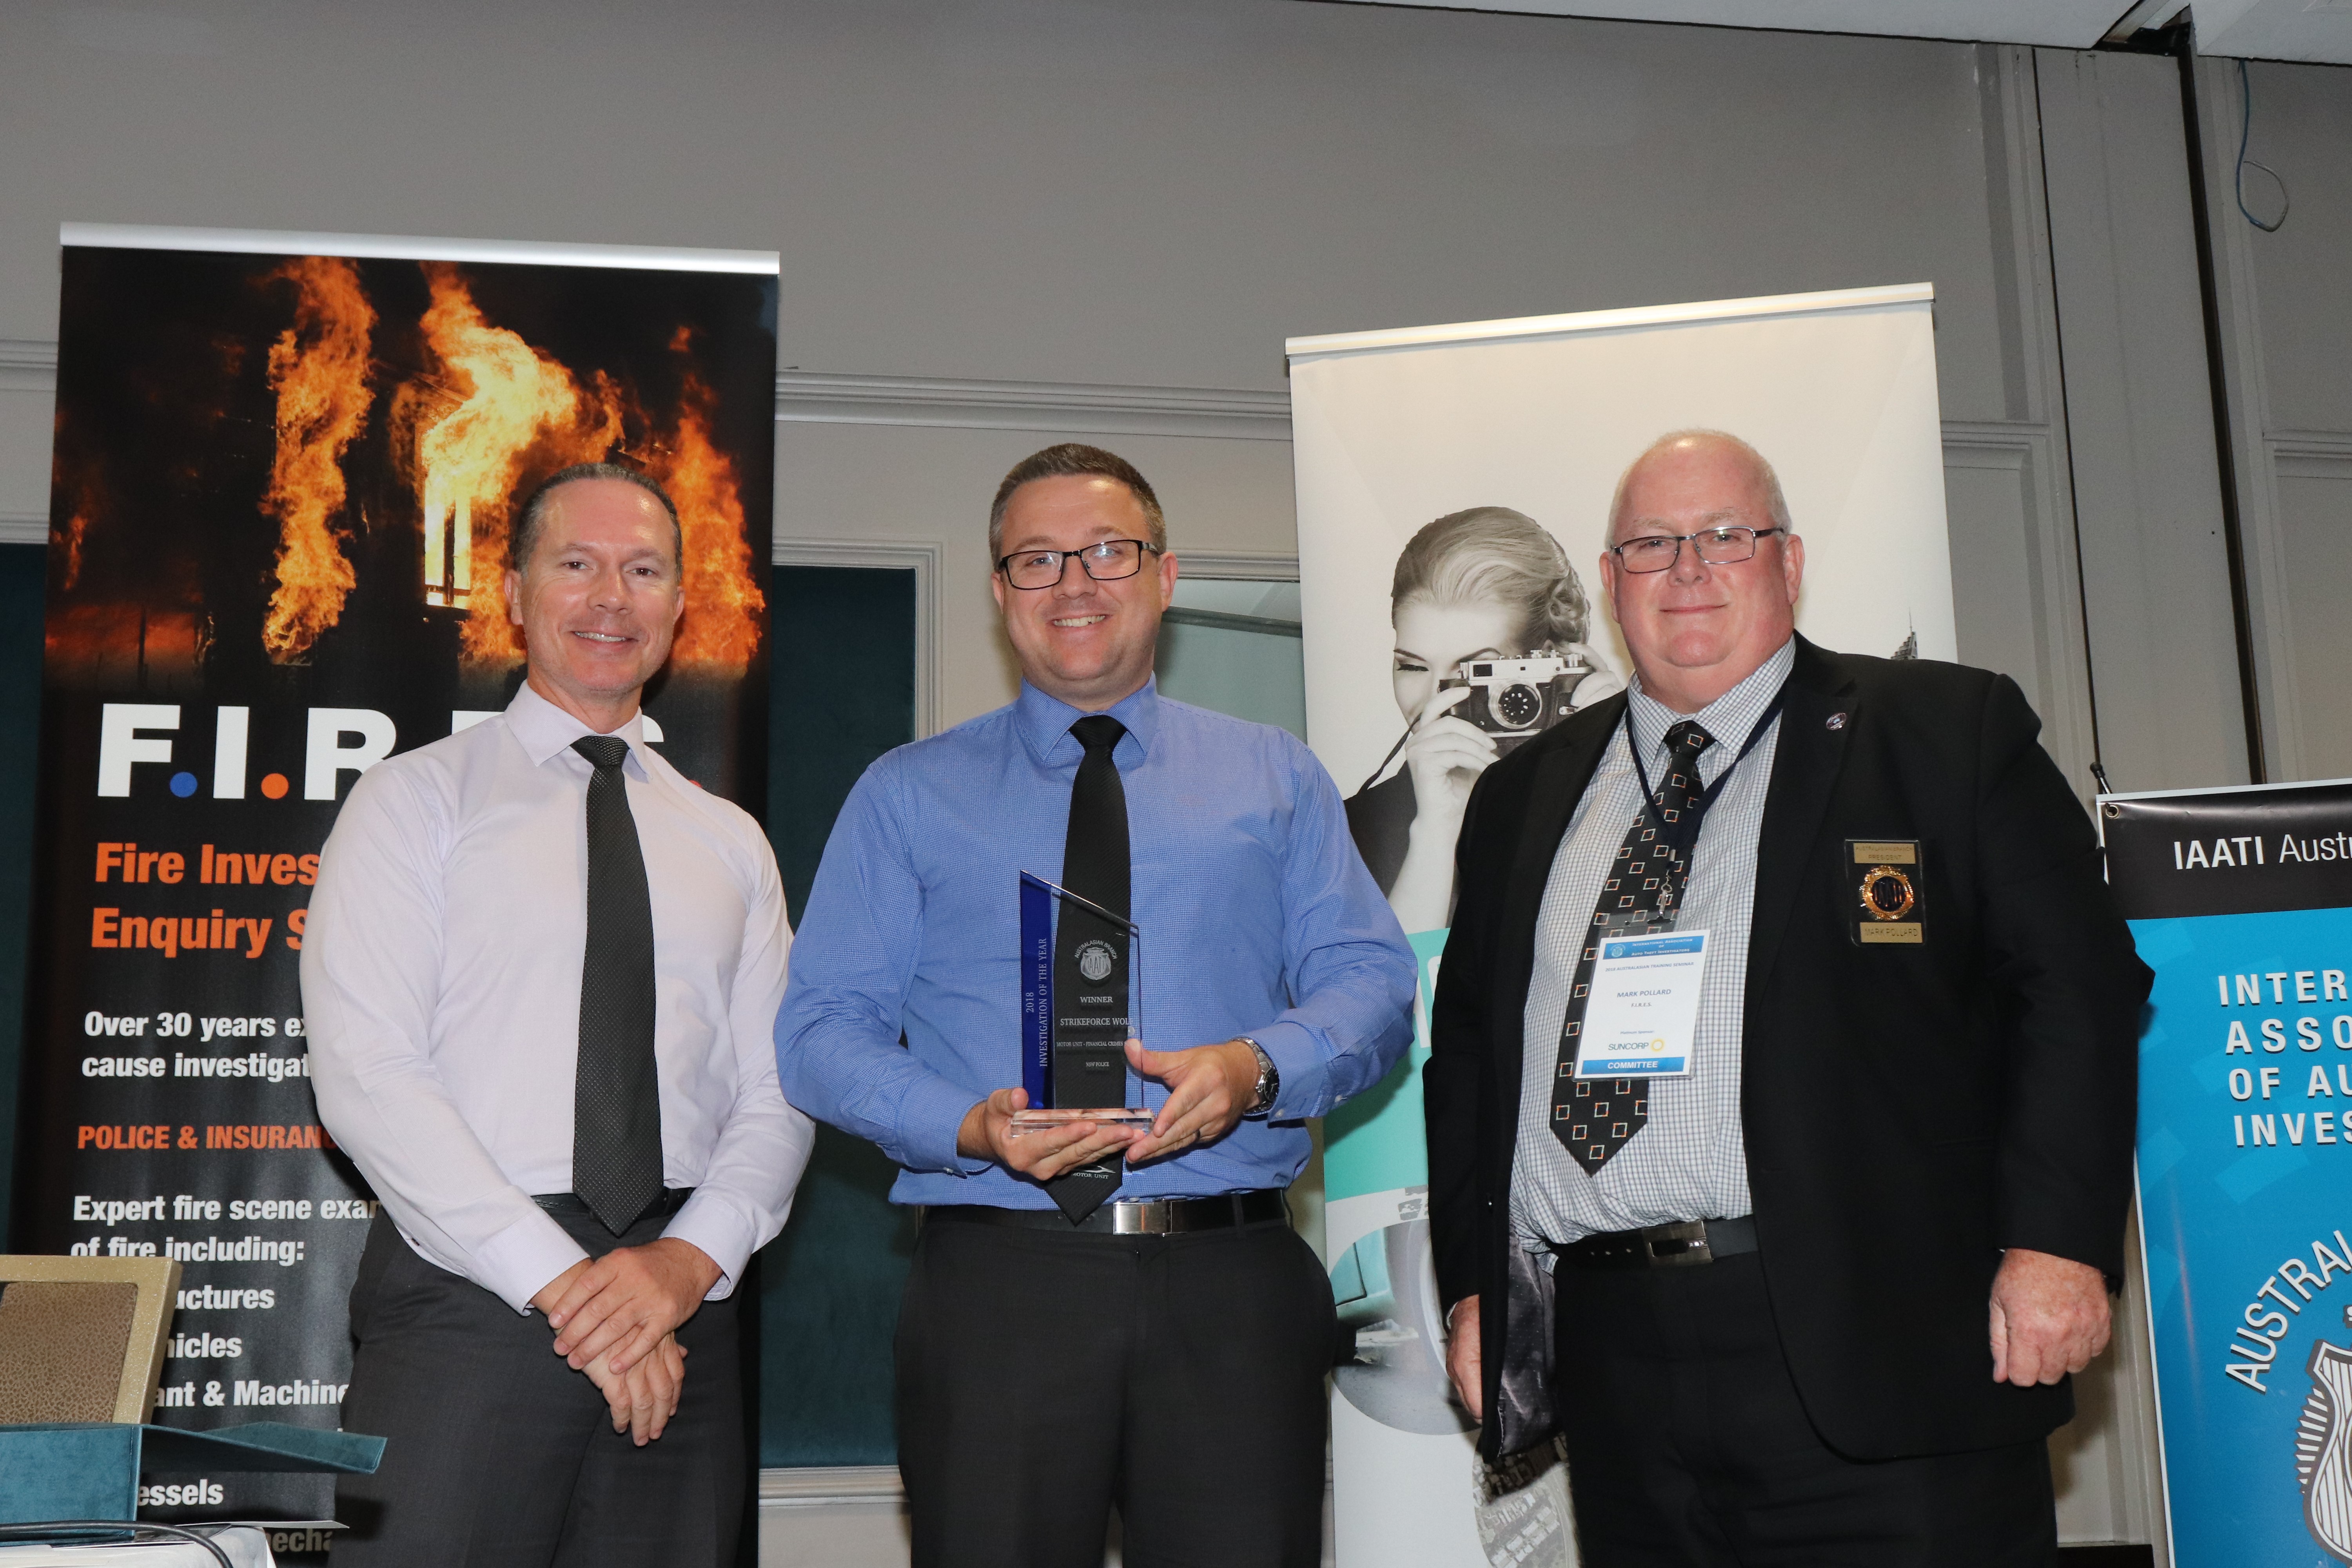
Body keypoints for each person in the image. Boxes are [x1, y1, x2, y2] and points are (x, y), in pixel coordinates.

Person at [1426, 429, 2151, 1564]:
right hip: (1617, 1354)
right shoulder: (1527, 792)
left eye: (1727, 536)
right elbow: (1469, 1049)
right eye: (1653, 545)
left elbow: (2082, 989)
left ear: (1791, 560)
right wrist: (1481, 1293)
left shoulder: (1945, 734)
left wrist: (2058, 1245)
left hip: (1885, 1336)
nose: (1690, 570)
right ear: (1611, 583)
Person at [775, 442, 1417, 1568]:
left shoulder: (1279, 777)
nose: (1074, 583)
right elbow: (820, 1030)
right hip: (1001, 1287)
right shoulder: (905, 794)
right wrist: (966, 1125)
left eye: (1108, 552)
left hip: (1232, 1288)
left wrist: (1256, 1070)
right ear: (999, 593)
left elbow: (1373, 986)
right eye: (1037, 560)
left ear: (1164, 575)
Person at [304, 463, 814, 1566]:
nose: (608, 597)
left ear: (681, 607)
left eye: (642, 572)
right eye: (575, 565)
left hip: (686, 1310)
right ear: (513, 593)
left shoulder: (733, 841)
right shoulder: (416, 800)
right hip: (468, 1302)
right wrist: (567, 1283)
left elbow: (783, 1092)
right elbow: (366, 1074)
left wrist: (682, 1268)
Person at [1345, 506, 1623, 933]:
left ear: (1549, 663)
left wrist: (1614, 760)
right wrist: (1438, 830)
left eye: (1473, 670)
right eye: (1413, 667)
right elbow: (1391, 996)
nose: (1435, 698)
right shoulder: (1347, 834)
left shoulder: (1622, 791)